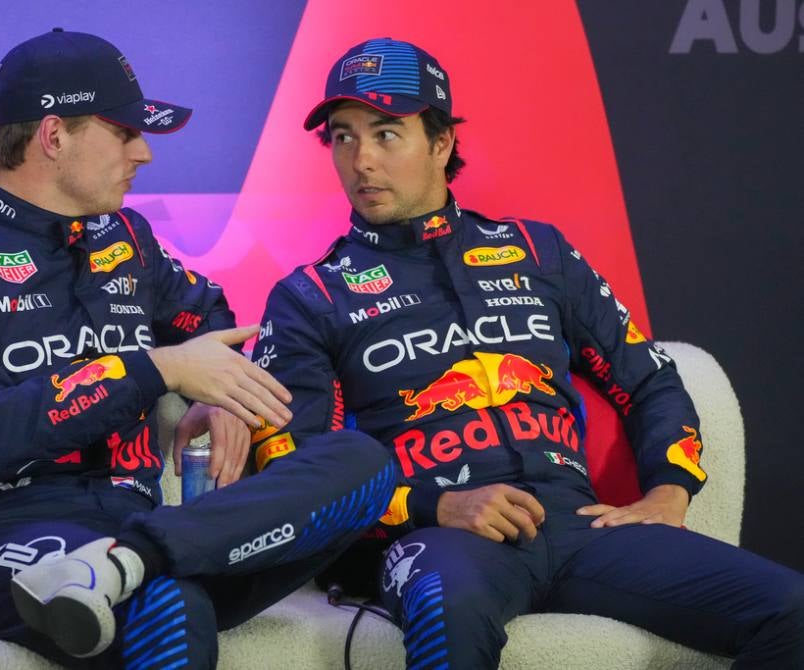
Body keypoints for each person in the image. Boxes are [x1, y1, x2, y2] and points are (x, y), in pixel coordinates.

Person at [251, 37, 804, 668]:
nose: (361, 161)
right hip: (438, 534)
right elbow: (295, 467)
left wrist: (670, 491)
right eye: (343, 137)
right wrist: (436, 505)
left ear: (441, 142)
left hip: (581, 527)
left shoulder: (540, 253)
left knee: (791, 608)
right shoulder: (310, 295)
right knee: (447, 611)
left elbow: (648, 379)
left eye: (386, 134)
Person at [0, 29, 395, 668]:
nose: (143, 152)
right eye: (124, 133)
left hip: (148, 530)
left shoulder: (126, 238)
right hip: (1, 540)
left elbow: (211, 318)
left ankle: (129, 562)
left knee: (362, 461)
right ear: (53, 135)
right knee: (168, 601)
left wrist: (220, 397)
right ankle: (135, 567)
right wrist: (159, 368)